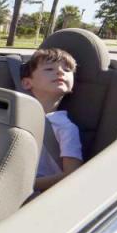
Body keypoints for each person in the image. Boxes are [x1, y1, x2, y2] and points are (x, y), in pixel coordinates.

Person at [19, 48, 83, 192]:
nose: (60, 72)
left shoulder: (65, 127)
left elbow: (71, 175)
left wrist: (25, 186)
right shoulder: (16, 116)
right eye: (49, 69)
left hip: (38, 195)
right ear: (27, 83)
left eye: (67, 70)